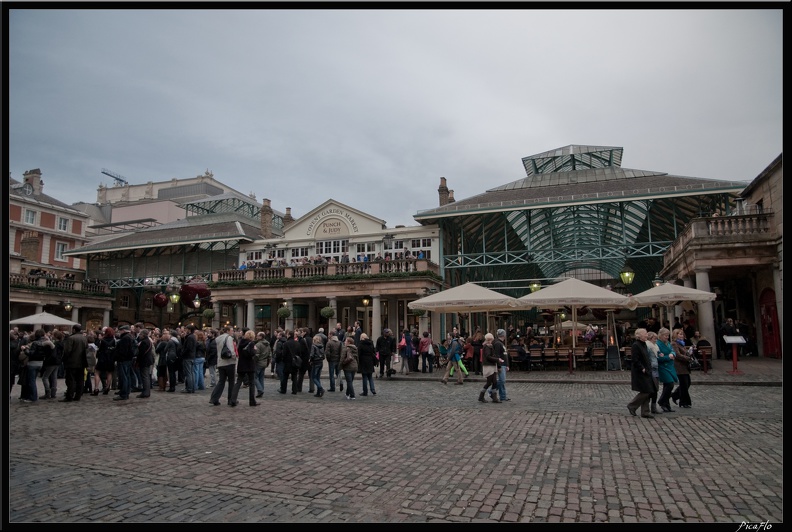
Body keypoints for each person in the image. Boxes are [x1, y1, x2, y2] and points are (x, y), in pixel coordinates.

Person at [626, 328, 657, 418]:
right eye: (645, 334)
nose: (646, 335)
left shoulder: (644, 344)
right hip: (640, 371)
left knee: (648, 390)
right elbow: (635, 359)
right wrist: (642, 368)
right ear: (639, 336)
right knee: (647, 390)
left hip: (646, 370)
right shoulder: (636, 345)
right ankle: (632, 405)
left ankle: (645, 411)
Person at [23, 329, 53, 402]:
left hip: (33, 363)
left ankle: (33, 397)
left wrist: (25, 349)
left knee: (31, 381)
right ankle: (33, 396)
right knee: (33, 379)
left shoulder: (35, 343)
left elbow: (31, 353)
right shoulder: (46, 342)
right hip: (41, 362)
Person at [209, 326, 237, 406]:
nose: (232, 332)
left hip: (220, 362)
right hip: (229, 362)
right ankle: (231, 400)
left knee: (221, 381)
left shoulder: (218, 338)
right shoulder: (229, 338)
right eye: (231, 330)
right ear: (228, 331)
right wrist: (234, 357)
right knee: (231, 381)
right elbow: (231, 350)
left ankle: (214, 398)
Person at [61, 324, 88, 402]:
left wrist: (64, 359)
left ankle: (69, 396)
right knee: (80, 380)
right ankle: (78, 395)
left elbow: (67, 351)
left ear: (74, 330)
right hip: (81, 362)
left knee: (71, 380)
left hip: (72, 362)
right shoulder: (84, 338)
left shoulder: (71, 338)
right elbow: (86, 349)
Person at [230, 330, 258, 406]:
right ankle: (252, 401)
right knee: (252, 383)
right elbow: (252, 353)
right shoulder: (251, 343)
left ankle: (233, 399)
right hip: (249, 365)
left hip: (241, 364)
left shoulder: (241, 343)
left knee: (238, 382)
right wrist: (255, 350)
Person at [653, 329, 677, 413]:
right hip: (663, 367)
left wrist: (672, 354)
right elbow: (658, 357)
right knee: (670, 384)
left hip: (669, 366)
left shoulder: (668, 343)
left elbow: (673, 351)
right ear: (660, 335)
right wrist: (668, 357)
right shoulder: (658, 344)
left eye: (667, 335)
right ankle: (662, 401)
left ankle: (666, 404)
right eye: (665, 335)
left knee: (668, 385)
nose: (667, 337)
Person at [670, 329, 693, 409]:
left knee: (687, 383)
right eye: (679, 334)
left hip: (685, 366)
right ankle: (684, 402)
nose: (681, 336)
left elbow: (683, 353)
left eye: (682, 334)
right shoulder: (674, 343)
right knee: (684, 384)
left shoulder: (682, 344)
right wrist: (687, 358)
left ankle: (675, 395)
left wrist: (689, 353)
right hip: (679, 366)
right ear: (675, 335)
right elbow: (677, 355)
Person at [478, 332, 502, 403]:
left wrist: (497, 361)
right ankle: (481, 396)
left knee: (494, 382)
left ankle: (494, 397)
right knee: (489, 382)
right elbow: (488, 356)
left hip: (492, 365)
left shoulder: (490, 346)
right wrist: (497, 359)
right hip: (488, 366)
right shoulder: (487, 346)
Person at [644, 331, 664, 415]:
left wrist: (660, 355)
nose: (656, 340)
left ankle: (653, 406)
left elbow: (657, 355)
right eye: (654, 338)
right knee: (652, 389)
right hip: (651, 368)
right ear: (650, 338)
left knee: (655, 389)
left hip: (655, 368)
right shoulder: (648, 346)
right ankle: (648, 407)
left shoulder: (655, 346)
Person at [41, 329, 63, 400]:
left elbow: (53, 353)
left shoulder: (55, 344)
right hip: (58, 362)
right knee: (54, 377)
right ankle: (53, 393)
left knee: (45, 377)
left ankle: (48, 392)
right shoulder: (61, 343)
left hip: (52, 362)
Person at [281, 329, 302, 395]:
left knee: (285, 377)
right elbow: (299, 353)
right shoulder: (297, 343)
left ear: (289, 335)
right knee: (295, 377)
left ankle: (283, 389)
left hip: (287, 362)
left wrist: (283, 360)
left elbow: (284, 354)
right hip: (295, 362)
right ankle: (294, 390)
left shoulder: (286, 343)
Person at [96, 327, 116, 395]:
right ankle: (107, 387)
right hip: (110, 359)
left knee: (97, 372)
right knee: (109, 373)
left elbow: (100, 349)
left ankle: (96, 388)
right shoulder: (113, 340)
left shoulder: (103, 340)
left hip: (102, 358)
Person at [135, 328, 154, 398]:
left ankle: (146, 392)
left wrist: (137, 361)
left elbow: (141, 353)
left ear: (143, 335)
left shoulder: (144, 342)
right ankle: (146, 391)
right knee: (146, 376)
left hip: (144, 361)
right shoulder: (148, 341)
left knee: (145, 376)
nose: (139, 335)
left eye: (140, 334)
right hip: (148, 360)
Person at [253, 331, 272, 398]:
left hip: (259, 362)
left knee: (255, 377)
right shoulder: (267, 344)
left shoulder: (258, 345)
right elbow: (270, 353)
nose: (256, 336)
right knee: (261, 377)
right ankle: (261, 390)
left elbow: (257, 355)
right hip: (265, 362)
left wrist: (254, 362)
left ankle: (260, 390)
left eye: (258, 335)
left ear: (261, 337)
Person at [493, 329, 510, 401]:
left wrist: (507, 365)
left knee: (502, 380)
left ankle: (503, 396)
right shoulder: (497, 343)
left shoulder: (501, 343)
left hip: (503, 363)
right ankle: (492, 390)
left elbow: (504, 355)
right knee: (502, 380)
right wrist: (499, 365)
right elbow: (497, 355)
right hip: (501, 363)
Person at [180, 325, 197, 394]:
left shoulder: (190, 337)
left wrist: (182, 353)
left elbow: (188, 347)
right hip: (192, 356)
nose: (185, 330)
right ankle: (192, 388)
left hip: (188, 357)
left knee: (188, 373)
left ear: (189, 330)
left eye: (186, 329)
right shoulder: (192, 337)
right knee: (191, 373)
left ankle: (189, 388)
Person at [309, 333, 326, 397]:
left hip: (315, 362)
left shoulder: (313, 346)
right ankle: (318, 392)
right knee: (318, 377)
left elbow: (312, 354)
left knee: (314, 377)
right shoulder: (322, 346)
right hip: (320, 362)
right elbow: (323, 355)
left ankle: (321, 389)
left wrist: (310, 360)